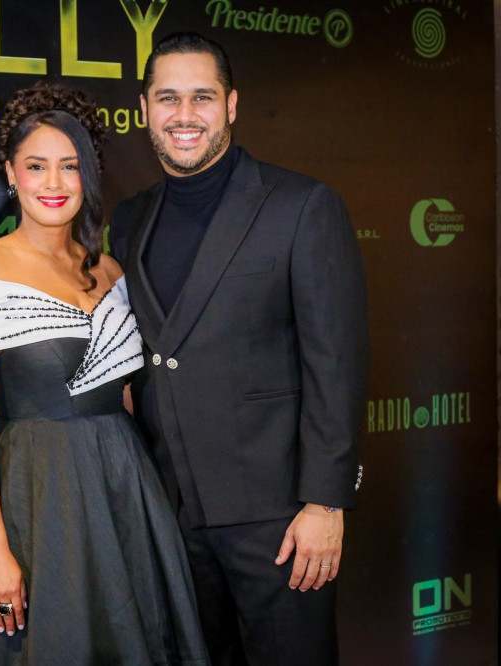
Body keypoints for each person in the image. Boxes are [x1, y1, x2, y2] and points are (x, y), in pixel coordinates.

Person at [0, 82, 210, 665]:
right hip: (33, 498)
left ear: (87, 175)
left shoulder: (112, 269)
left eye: (70, 166)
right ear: (10, 173)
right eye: (36, 166)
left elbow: (127, 394)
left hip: (122, 490)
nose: (54, 183)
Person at [109, 32, 369, 666]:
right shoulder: (129, 219)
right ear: (145, 109)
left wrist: (325, 501)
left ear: (231, 105)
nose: (184, 115)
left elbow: (336, 362)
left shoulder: (301, 205)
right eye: (168, 98)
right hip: (171, 514)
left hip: (278, 519)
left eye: (202, 96)